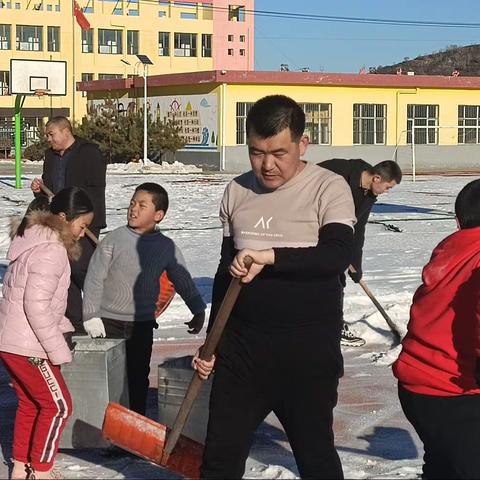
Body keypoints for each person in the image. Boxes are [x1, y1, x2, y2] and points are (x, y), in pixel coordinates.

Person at [193, 95, 356, 479]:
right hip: (242, 352)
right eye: (256, 152)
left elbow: (335, 256)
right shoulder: (236, 191)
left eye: (279, 152)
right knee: (218, 458)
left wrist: (271, 257)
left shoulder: (328, 188)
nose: (267, 165)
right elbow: (224, 272)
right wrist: (212, 342)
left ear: (303, 144)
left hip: (307, 353)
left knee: (315, 457)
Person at [82, 182, 206, 415]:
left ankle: (135, 426)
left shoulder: (166, 247)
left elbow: (182, 279)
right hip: (108, 323)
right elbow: (94, 278)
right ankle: (108, 432)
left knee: (138, 377)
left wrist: (198, 310)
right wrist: (90, 315)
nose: (133, 209)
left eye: (142, 205)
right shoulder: (114, 239)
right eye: (132, 203)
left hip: (142, 324)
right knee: (111, 379)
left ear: (158, 215)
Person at [0, 187, 94, 480]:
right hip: (28, 346)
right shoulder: (52, 251)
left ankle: (21, 466)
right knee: (58, 406)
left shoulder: (34, 242)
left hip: (13, 340)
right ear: (65, 218)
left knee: (32, 403)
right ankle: (40, 470)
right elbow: (36, 308)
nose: (83, 233)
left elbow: (37, 304)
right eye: (82, 225)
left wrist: (62, 325)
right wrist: (57, 350)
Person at [392, 179, 480, 479]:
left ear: (458, 222)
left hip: (416, 387)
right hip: (454, 391)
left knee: (442, 466)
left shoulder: (450, 252)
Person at [30, 116, 107, 334]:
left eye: (51, 133)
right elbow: (49, 183)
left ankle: (101, 311)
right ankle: (75, 322)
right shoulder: (50, 156)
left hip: (84, 221)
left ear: (66, 131)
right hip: (60, 221)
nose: (48, 139)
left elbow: (96, 187)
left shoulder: (88, 152)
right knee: (66, 269)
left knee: (81, 267)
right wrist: (39, 189)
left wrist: (77, 208)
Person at [319, 158, 402, 347]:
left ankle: (333, 326)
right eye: (388, 187)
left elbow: (358, 229)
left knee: (337, 278)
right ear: (377, 178)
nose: (387, 192)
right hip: (309, 230)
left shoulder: (369, 196)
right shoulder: (339, 171)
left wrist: (356, 264)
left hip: (334, 238)